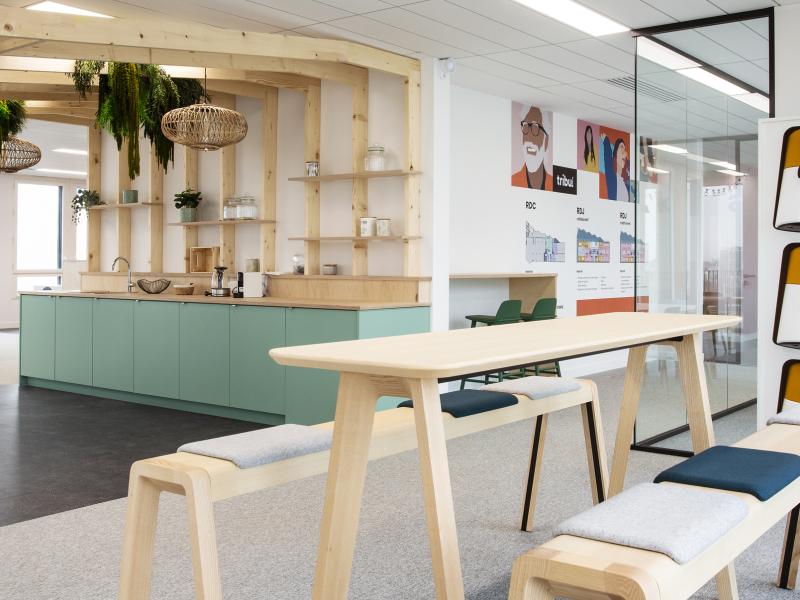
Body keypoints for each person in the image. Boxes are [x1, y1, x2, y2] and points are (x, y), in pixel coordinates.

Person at [512, 106, 550, 190]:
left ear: (546, 142)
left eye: (535, 128)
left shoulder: (552, 184)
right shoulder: (514, 180)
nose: (528, 138)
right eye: (525, 127)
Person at [600, 133, 630, 201]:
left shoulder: (626, 183)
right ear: (616, 153)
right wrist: (606, 140)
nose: (624, 152)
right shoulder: (612, 175)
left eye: (624, 149)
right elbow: (608, 158)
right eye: (621, 147)